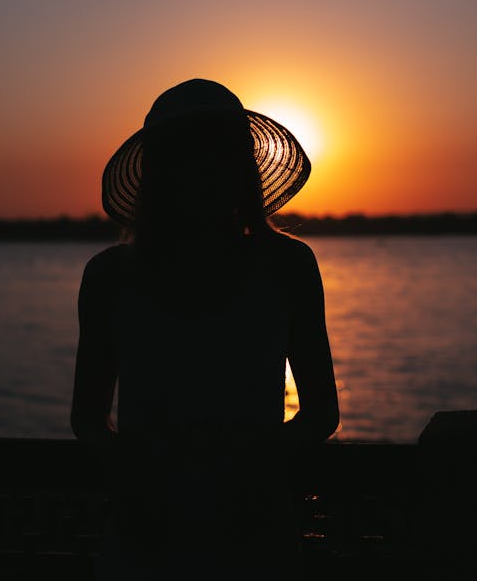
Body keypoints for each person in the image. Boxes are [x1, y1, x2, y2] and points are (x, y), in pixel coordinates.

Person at [71, 78, 339, 580]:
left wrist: (248, 475)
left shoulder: (289, 267)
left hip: (256, 539)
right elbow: (87, 419)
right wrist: (142, 480)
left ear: (242, 169)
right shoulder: (109, 277)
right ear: (159, 172)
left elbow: (321, 411)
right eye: (185, 155)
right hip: (144, 540)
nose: (202, 170)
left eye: (218, 153)